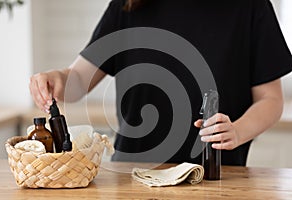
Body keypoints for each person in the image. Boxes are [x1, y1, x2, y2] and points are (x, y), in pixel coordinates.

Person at [29, 0, 292, 166]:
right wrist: (57, 79)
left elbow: (271, 100)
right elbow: (77, 81)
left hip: (217, 177)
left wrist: (238, 130)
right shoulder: (128, 5)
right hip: (132, 175)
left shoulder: (250, 7)